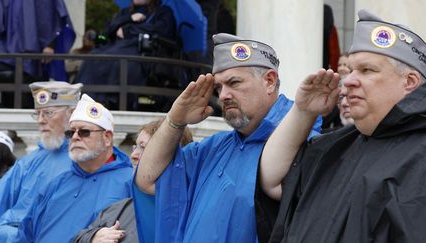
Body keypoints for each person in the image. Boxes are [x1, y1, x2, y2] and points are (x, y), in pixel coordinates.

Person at [135, 33, 322, 242]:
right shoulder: (212, 149)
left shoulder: (305, 145)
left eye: (234, 83)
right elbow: (147, 180)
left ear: (269, 81)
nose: (223, 95)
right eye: (219, 87)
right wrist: (175, 119)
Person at [260, 9, 426, 243]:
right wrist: (303, 111)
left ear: (409, 82)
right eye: (350, 70)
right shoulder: (338, 145)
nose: (348, 80)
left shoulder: (419, 153)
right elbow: (272, 180)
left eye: (367, 70)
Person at [15, 94, 133, 242]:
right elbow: (26, 233)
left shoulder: (131, 182)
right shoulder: (57, 182)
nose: (75, 137)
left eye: (84, 132)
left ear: (107, 138)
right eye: (71, 132)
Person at [73, 118, 193, 243]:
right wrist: (93, 237)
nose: (133, 155)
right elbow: (79, 238)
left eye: (143, 148)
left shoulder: (193, 212)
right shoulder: (118, 208)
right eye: (135, 147)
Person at [0, 81, 82, 242]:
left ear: (72, 114)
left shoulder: (85, 161)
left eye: (48, 113)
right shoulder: (29, 161)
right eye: (38, 113)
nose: (40, 120)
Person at [74, 0, 177, 110]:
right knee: (94, 56)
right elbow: (106, 32)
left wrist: (128, 29)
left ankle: (109, 100)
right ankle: (84, 98)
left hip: (139, 50)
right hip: (115, 46)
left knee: (118, 59)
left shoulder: (163, 12)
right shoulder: (125, 12)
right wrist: (129, 19)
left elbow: (163, 31)